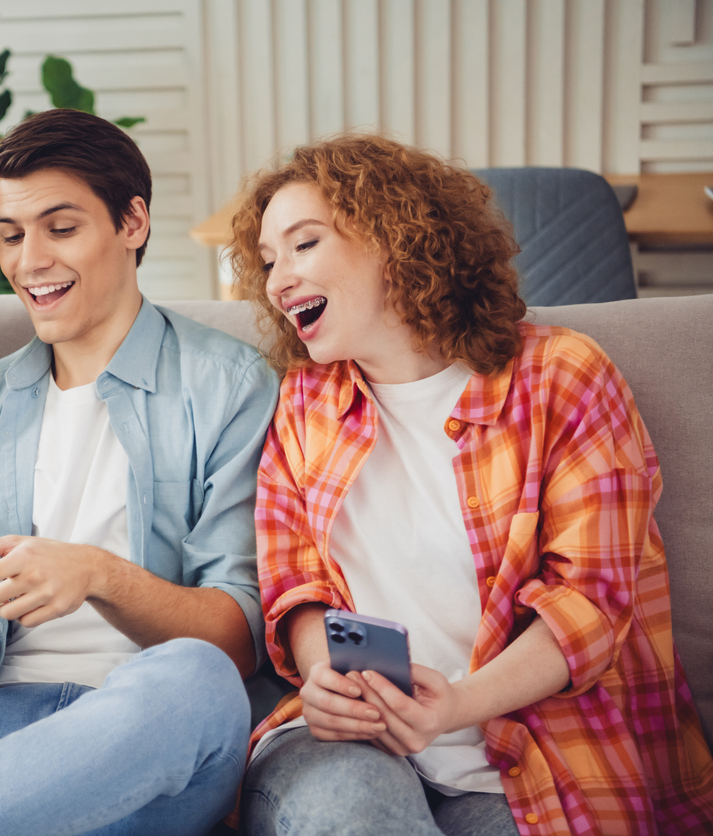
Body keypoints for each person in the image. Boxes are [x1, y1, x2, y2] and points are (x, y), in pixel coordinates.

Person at [230, 134, 713, 836]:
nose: (277, 282)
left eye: (304, 245)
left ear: (395, 237)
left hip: (533, 758)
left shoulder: (563, 379)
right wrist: (321, 677)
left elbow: (589, 608)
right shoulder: (303, 404)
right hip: (345, 744)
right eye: (269, 261)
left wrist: (454, 705)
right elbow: (297, 587)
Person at [0, 108, 280, 836]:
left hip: (144, 728)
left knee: (201, 681)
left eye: (60, 229)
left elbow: (235, 640)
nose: (29, 261)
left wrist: (98, 574)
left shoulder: (228, 385)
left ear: (132, 223)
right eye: (11, 235)